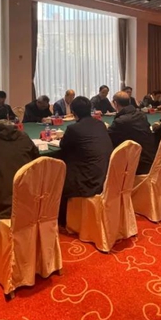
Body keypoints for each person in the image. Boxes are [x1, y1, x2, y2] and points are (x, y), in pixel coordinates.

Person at [58, 96, 113, 224]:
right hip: (106, 174)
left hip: (88, 181)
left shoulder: (73, 129)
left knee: (60, 171)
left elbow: (63, 146)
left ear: (73, 113)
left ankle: (63, 219)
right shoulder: (100, 124)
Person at [107, 91, 157, 174]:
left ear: (115, 103)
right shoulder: (142, 115)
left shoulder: (120, 121)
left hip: (136, 165)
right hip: (150, 159)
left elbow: (108, 138)